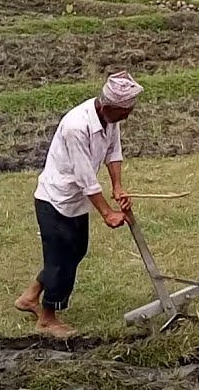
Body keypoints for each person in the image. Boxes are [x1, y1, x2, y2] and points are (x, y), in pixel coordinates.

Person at [15, 71, 143, 337]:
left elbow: (113, 152)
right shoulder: (77, 126)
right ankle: (47, 318)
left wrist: (118, 186)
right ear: (108, 106)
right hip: (55, 200)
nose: (126, 117)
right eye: (124, 113)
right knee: (60, 260)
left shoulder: (110, 119)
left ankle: (29, 298)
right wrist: (107, 213)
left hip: (76, 201)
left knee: (76, 252)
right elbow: (85, 177)